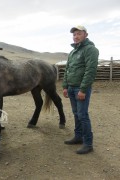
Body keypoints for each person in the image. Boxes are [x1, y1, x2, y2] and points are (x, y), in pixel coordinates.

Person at [62, 25, 99, 154]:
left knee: (83, 115)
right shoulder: (72, 52)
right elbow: (68, 70)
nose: (76, 36)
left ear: (86, 35)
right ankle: (78, 137)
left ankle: (88, 144)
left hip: (80, 88)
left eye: (78, 34)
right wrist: (65, 86)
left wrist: (83, 89)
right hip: (71, 88)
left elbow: (90, 70)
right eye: (74, 34)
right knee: (76, 113)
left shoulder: (90, 50)